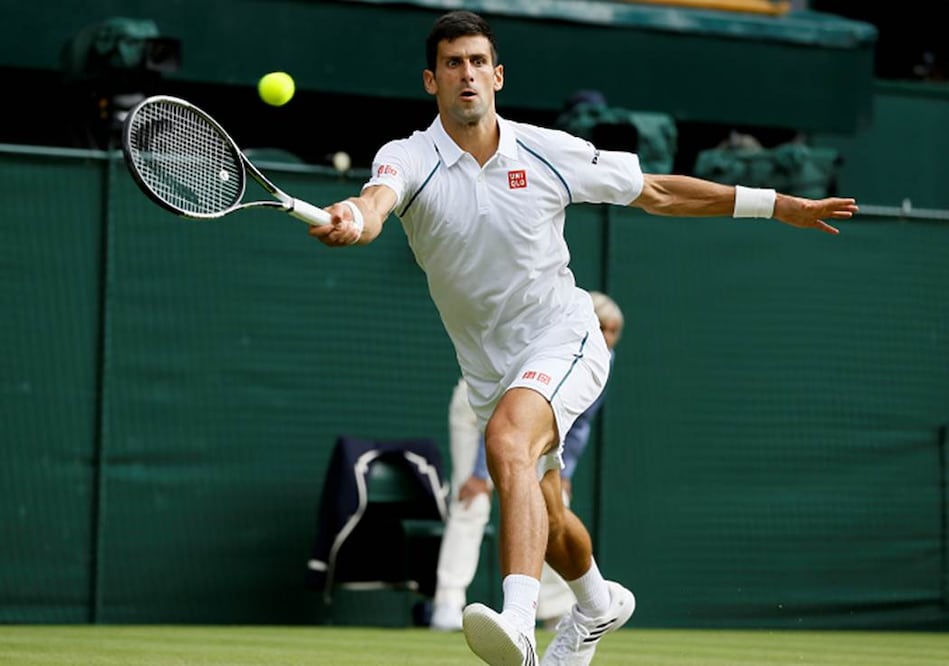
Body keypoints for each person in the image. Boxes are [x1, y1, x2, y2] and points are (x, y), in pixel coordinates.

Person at [308, 10, 858, 665]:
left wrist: (776, 203)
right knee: (545, 512)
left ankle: (518, 621)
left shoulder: (547, 151)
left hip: (563, 337)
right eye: (453, 64)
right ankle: (597, 604)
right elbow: (375, 203)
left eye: (478, 62)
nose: (467, 75)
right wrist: (353, 217)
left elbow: (657, 192)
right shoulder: (407, 157)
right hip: (488, 368)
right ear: (432, 80)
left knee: (506, 441)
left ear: (498, 76)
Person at [430, 292, 625, 633]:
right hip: (483, 402)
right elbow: (500, 421)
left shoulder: (600, 359)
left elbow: (579, 423)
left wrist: (564, 469)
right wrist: (480, 474)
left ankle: (559, 610)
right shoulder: (556, 333)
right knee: (473, 500)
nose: (606, 336)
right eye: (601, 327)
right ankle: (448, 601)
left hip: (531, 411)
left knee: (553, 505)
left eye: (613, 331)